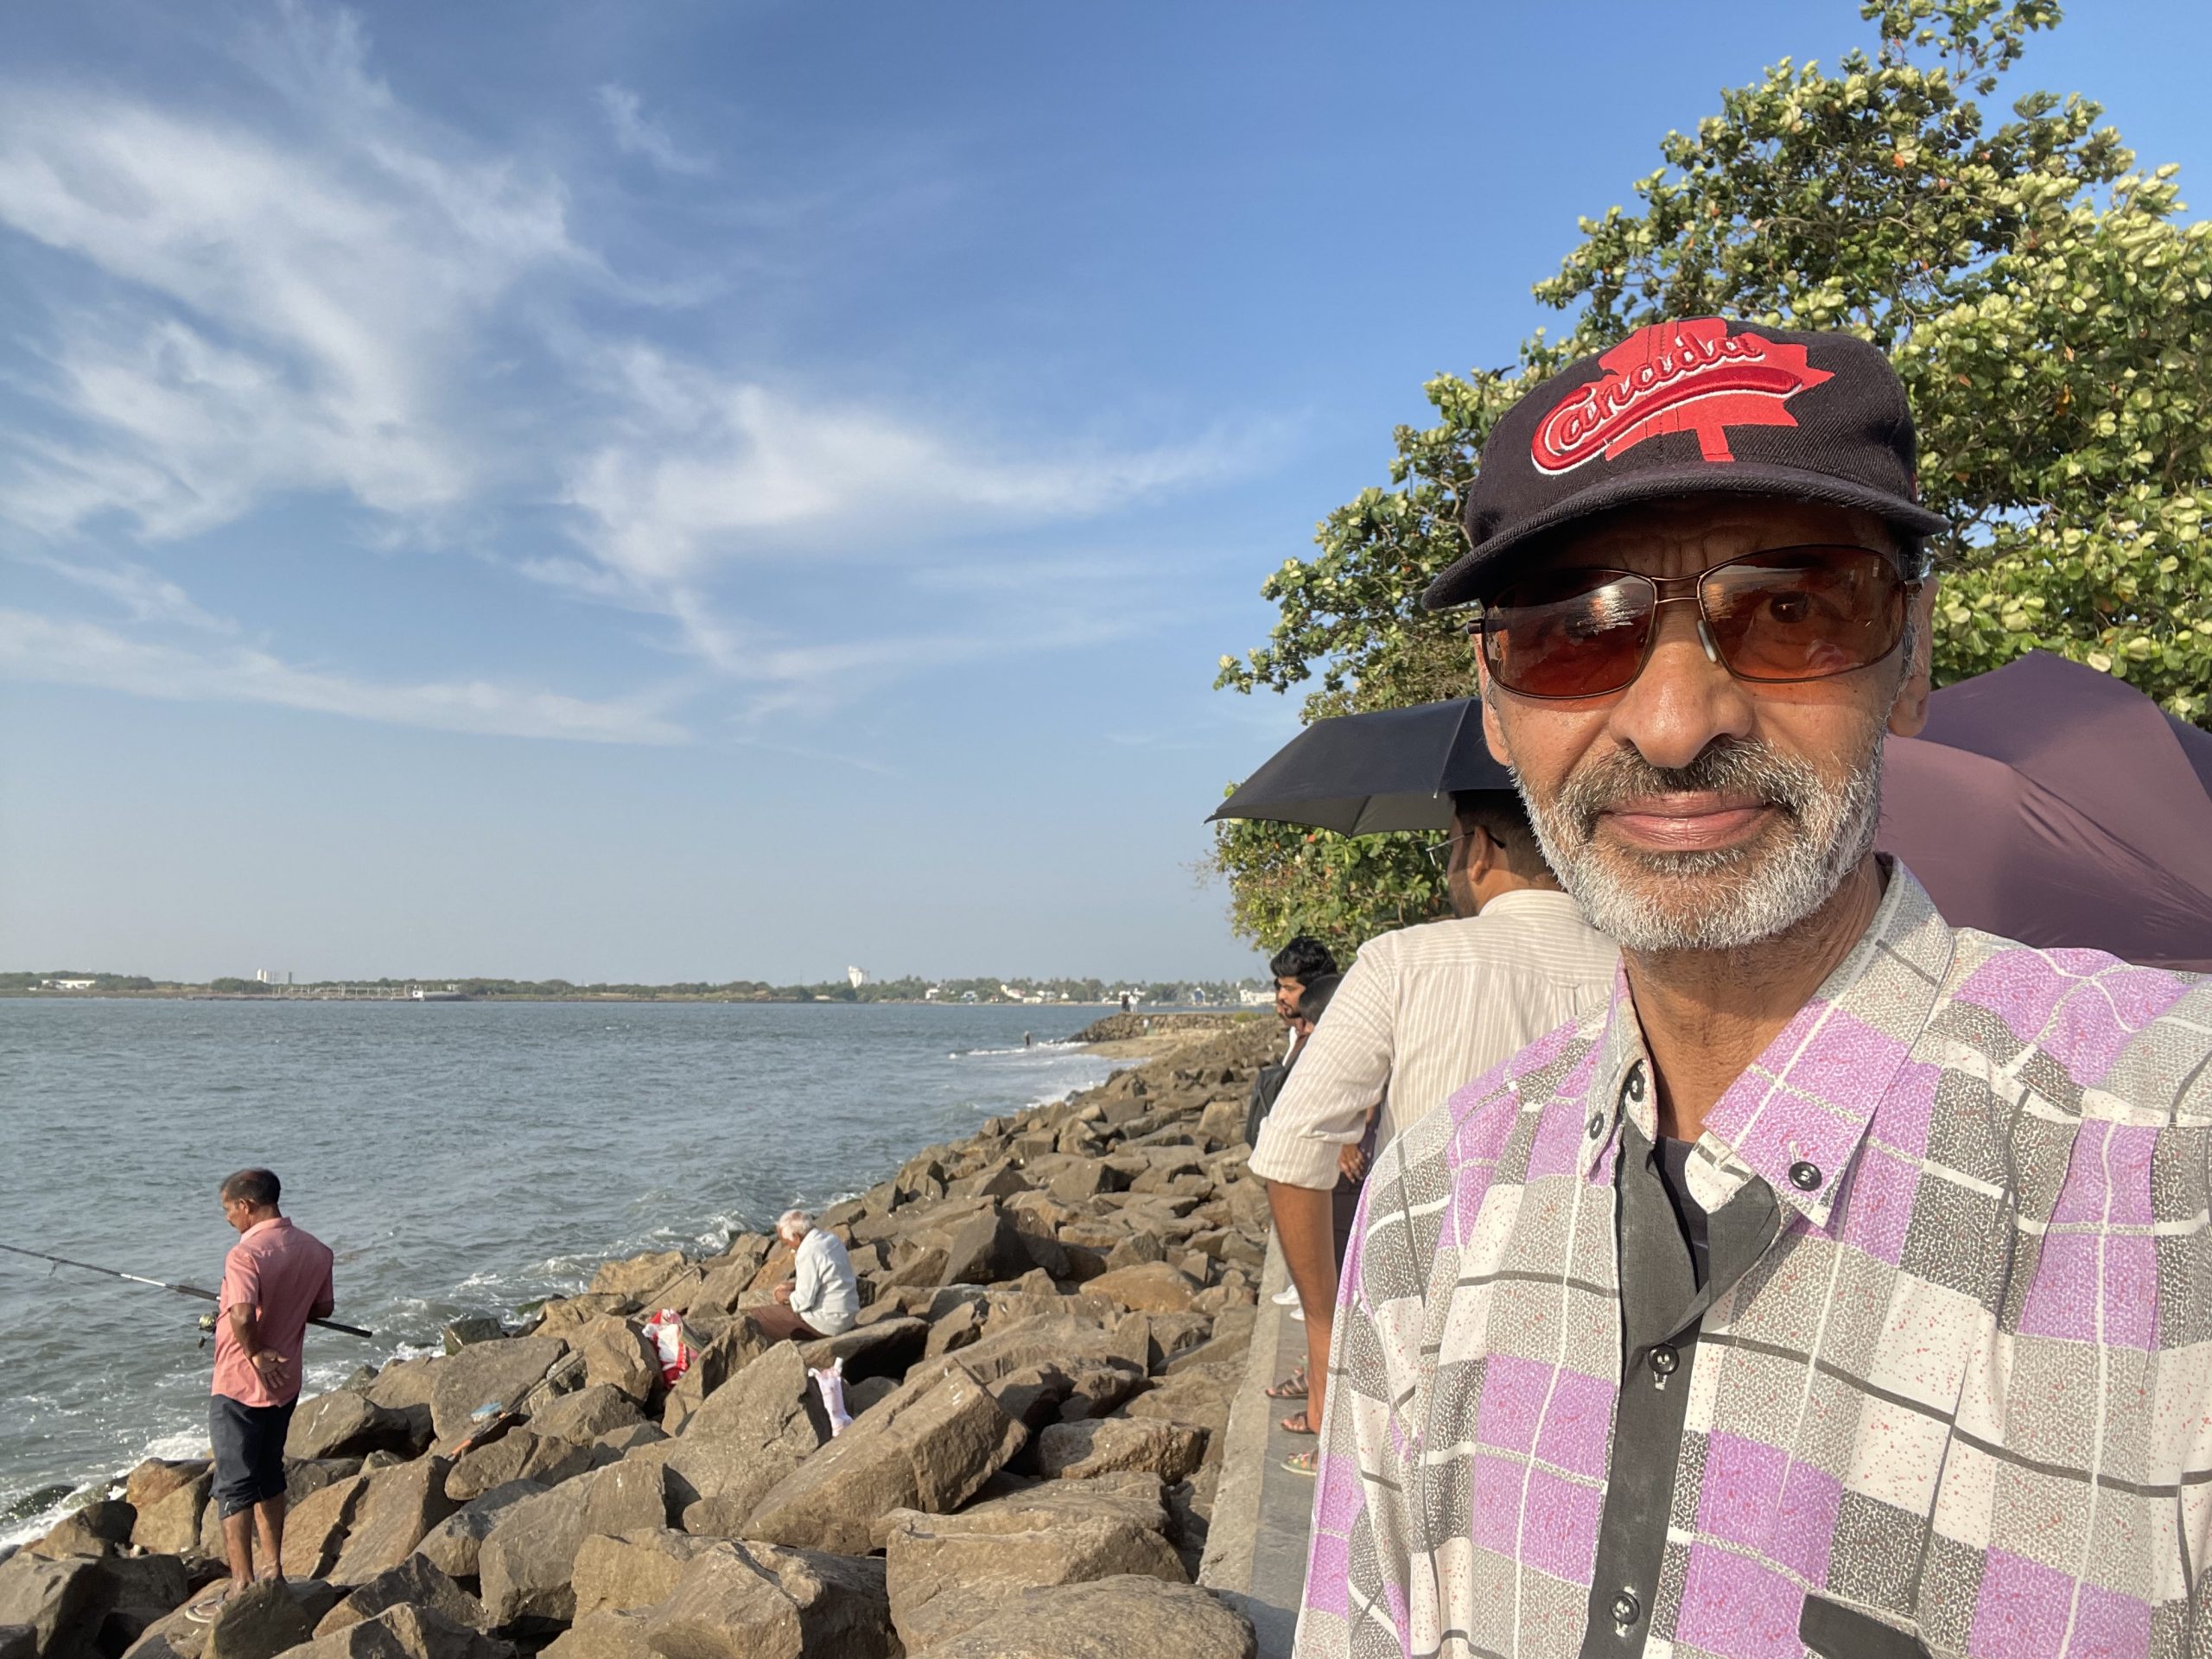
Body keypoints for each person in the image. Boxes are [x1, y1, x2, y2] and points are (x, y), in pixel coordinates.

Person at [1295, 318, 2212, 1658]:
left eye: (1790, 611)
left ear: (1912, 657)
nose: (1676, 725)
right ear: (1495, 705)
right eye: (1574, 634)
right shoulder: (1431, 1209)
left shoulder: (2167, 1165)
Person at [1252, 790, 1616, 1471]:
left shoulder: (1403, 962)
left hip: (1418, 1332)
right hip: (1584, 1340)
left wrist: (1326, 1332)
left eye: (1447, 845)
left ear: (1478, 848)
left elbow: (1290, 1147)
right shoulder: (1639, 972)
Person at [189, 1168, 334, 1622]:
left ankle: (241, 1587)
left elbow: (241, 1315)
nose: (228, 1218)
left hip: (239, 1384)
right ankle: (274, 1572)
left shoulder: (244, 1254)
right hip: (285, 1384)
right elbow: (323, 1307)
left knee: (233, 1484)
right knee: (270, 1473)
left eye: (228, 1209)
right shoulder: (316, 1250)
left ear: (246, 1205)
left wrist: (254, 1352)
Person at [749, 1209, 858, 1342]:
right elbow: (827, 1278)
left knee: (757, 1316)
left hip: (829, 1324)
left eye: (786, 1242)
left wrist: (784, 1296)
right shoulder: (831, 1239)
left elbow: (804, 1302)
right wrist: (795, 1286)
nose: (788, 1247)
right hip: (848, 1316)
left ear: (796, 1237)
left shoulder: (808, 1252)